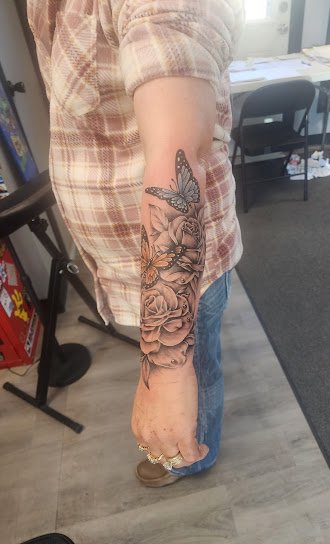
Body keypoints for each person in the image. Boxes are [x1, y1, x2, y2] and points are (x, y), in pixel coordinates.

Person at [27, 0, 244, 487]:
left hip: (184, 272)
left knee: (197, 365)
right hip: (131, 259)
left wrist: (165, 371)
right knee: (197, 359)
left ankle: (191, 457)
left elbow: (176, 160)